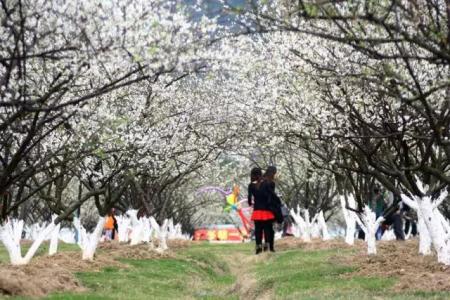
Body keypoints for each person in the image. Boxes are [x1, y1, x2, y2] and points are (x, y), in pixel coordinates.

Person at [250, 166, 280, 254]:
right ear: (272, 173)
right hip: (268, 209)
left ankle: (258, 248)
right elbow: (271, 196)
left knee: (258, 230)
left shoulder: (256, 182)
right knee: (269, 229)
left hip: (257, 210)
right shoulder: (270, 183)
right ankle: (269, 247)